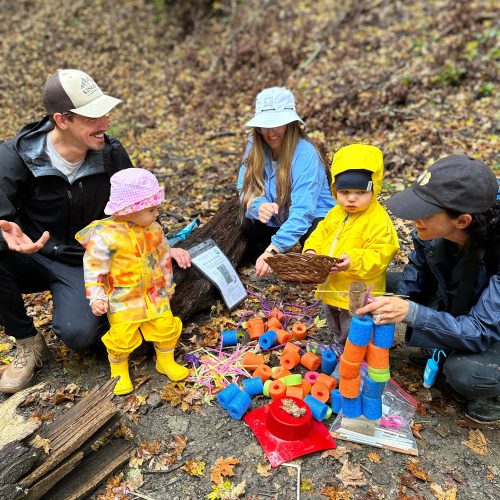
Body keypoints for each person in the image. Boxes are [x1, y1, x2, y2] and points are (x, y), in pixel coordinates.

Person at [0, 68, 133, 394]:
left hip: (83, 262)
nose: (105, 123)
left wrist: (156, 246)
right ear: (62, 120)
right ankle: (28, 341)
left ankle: (72, 309)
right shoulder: (15, 157)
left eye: (104, 113)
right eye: (92, 117)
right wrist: (5, 233)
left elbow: (136, 209)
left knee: (79, 335)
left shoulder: (111, 154)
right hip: (31, 254)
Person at [357, 154, 500, 423]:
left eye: (424, 212)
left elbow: (482, 329)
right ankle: (442, 343)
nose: (415, 219)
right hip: (463, 296)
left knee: (465, 373)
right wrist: (384, 299)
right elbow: (414, 280)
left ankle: (493, 393)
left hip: (491, 323)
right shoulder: (430, 234)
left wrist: (412, 313)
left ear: (462, 221)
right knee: (379, 282)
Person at [75, 168, 191, 395]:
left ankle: (165, 361)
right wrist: (97, 296)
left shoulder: (154, 229)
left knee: (165, 326)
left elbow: (164, 257)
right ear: (129, 210)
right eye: (151, 209)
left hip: (154, 293)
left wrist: (168, 285)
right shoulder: (105, 236)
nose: (157, 214)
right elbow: (94, 268)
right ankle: (119, 370)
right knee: (122, 335)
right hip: (123, 297)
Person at [303, 144, 399, 344]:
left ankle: (355, 354)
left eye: (360, 192)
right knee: (332, 318)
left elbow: (382, 252)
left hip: (358, 289)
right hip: (331, 284)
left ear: (374, 188)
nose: (351, 198)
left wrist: (353, 260)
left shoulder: (377, 219)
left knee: (355, 325)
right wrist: (311, 250)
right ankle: (340, 345)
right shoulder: (335, 213)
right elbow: (319, 234)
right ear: (335, 190)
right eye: (344, 191)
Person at [237, 87, 335, 277]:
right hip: (280, 216)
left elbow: (304, 210)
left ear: (290, 124)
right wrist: (259, 205)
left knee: (317, 240)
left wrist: (273, 250)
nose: (271, 133)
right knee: (247, 223)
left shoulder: (306, 153)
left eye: (278, 125)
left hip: (315, 216)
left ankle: (280, 248)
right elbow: (244, 187)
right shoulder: (254, 145)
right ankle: (271, 248)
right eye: (266, 126)